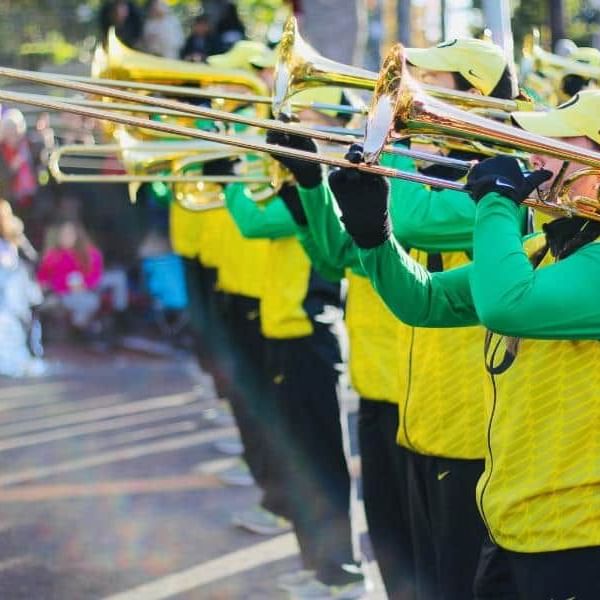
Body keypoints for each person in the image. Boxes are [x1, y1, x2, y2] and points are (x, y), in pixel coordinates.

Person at [269, 38, 521, 600]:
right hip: (412, 409)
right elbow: (342, 250)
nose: (413, 95)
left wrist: (387, 138)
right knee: (400, 567)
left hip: (467, 433)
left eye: (432, 85)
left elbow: (409, 222)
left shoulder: (504, 186)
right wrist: (309, 182)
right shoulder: (431, 169)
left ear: (474, 98)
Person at [328, 91, 600, 600]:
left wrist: (496, 203)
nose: (531, 152)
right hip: (512, 524)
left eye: (554, 141)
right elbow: (425, 302)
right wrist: (373, 234)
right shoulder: (543, 250)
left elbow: (506, 306)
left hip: (579, 540)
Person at [0, 200, 44, 377]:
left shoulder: (14, 235)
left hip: (14, 291)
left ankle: (31, 353)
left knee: (18, 327)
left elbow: (32, 258)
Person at [37, 221, 103, 332]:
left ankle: (82, 327)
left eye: (69, 234)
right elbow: (42, 279)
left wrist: (84, 284)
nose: (65, 237)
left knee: (91, 301)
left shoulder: (90, 253)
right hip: (59, 295)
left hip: (83, 292)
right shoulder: (52, 255)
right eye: (62, 234)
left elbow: (95, 275)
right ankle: (80, 327)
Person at [0, 109, 37, 210]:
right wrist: (11, 169)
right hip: (9, 203)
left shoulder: (30, 145)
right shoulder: (1, 150)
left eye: (16, 130)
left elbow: (40, 168)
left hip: (33, 200)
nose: (13, 134)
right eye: (9, 130)